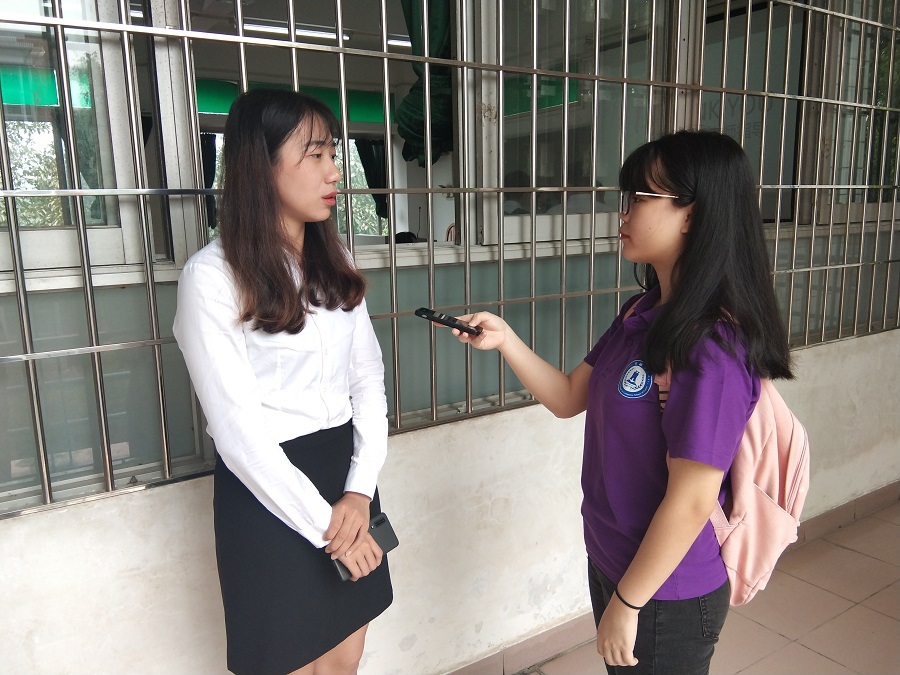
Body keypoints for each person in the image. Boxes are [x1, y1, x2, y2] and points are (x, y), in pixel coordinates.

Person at [449, 130, 793, 674]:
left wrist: (628, 603)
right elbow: (569, 397)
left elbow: (693, 499)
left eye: (641, 197)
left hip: (665, 590)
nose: (624, 213)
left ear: (692, 214)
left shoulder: (711, 348)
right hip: (613, 558)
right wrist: (506, 339)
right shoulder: (641, 312)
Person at [173, 89, 392, 675]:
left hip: (346, 476)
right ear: (260, 166)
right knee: (287, 662)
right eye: (315, 155)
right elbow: (238, 433)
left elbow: (368, 379)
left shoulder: (335, 260)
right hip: (267, 490)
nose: (334, 171)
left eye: (333, 154)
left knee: (345, 657)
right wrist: (329, 527)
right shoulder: (212, 278)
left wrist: (360, 489)